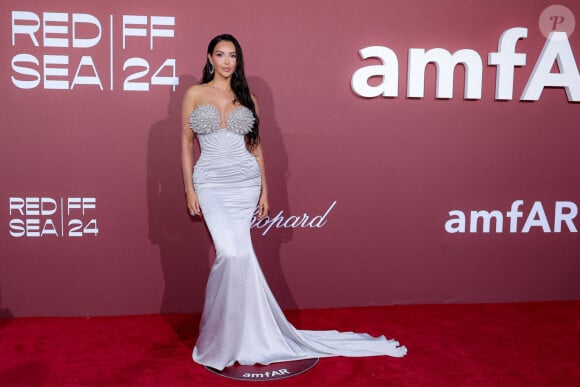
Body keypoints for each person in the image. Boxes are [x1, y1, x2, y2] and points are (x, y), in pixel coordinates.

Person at [181, 34, 407, 371]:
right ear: (209, 58)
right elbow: (186, 143)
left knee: (239, 256)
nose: (227, 61)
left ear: (238, 60)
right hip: (210, 183)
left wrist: (266, 191)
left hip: (245, 183)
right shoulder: (195, 94)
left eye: (232, 55)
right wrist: (189, 188)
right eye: (220, 54)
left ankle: (241, 336)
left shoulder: (248, 98)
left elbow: (255, 147)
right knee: (231, 255)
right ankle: (222, 336)